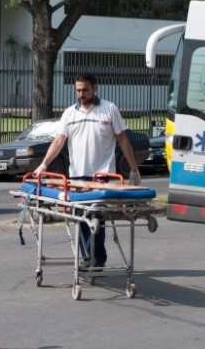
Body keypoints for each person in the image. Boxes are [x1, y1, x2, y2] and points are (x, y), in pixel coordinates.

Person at [33, 73, 141, 268]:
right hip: (77, 176)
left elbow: (123, 139)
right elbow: (59, 141)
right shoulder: (69, 114)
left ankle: (96, 259)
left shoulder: (108, 110)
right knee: (82, 219)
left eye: (85, 90)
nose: (81, 94)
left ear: (95, 88)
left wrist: (133, 170)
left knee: (95, 217)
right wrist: (44, 164)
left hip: (102, 175)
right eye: (78, 90)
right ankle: (89, 257)